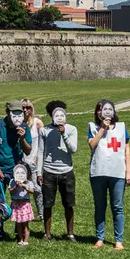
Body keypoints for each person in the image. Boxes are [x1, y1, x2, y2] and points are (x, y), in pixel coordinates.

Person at [88, 100, 130, 250]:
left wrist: (129, 171)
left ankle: (118, 240)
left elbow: (126, 150)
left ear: (113, 111)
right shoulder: (93, 127)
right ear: (98, 112)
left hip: (117, 172)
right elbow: (92, 145)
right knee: (100, 206)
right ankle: (100, 238)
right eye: (102, 109)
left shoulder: (121, 127)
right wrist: (102, 129)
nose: (105, 112)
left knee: (117, 206)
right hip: (98, 172)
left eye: (108, 109)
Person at [0, 100, 32, 241]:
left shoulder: (24, 127)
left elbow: (28, 150)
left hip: (17, 170)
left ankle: (18, 231)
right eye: (15, 114)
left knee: (19, 200)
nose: (18, 117)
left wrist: (22, 138)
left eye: (20, 113)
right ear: (8, 113)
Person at [36, 101, 78, 241]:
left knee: (68, 203)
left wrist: (64, 134)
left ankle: (70, 233)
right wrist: (38, 172)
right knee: (47, 204)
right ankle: (47, 233)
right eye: (55, 113)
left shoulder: (72, 129)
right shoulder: (44, 130)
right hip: (49, 170)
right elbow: (41, 151)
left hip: (67, 170)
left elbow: (73, 149)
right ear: (50, 115)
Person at [21, 99, 44, 221]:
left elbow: (43, 144)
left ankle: (42, 214)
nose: (25, 110)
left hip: (34, 160)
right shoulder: (18, 124)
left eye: (28, 107)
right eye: (23, 108)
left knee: (37, 189)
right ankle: (24, 214)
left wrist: (39, 160)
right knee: (22, 188)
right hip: (22, 161)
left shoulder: (37, 123)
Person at [9, 164, 36, 246]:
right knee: (18, 224)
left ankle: (26, 240)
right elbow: (10, 191)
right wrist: (15, 187)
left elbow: (32, 191)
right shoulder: (12, 181)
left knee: (25, 224)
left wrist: (24, 186)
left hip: (25, 205)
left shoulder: (29, 182)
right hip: (16, 205)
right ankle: (20, 239)